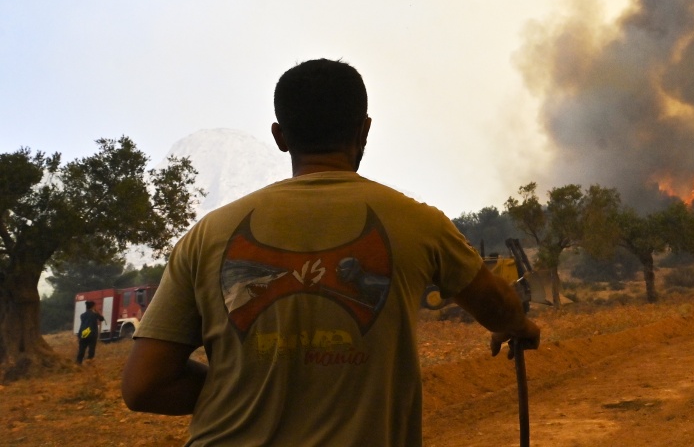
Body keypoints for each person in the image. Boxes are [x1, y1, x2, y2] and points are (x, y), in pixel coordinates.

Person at [121, 58, 540, 446]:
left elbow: (145, 384)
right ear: (364, 130)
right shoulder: (420, 224)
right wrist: (518, 325)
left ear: (280, 136)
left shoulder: (207, 236)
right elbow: (496, 305)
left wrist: (241, 391)